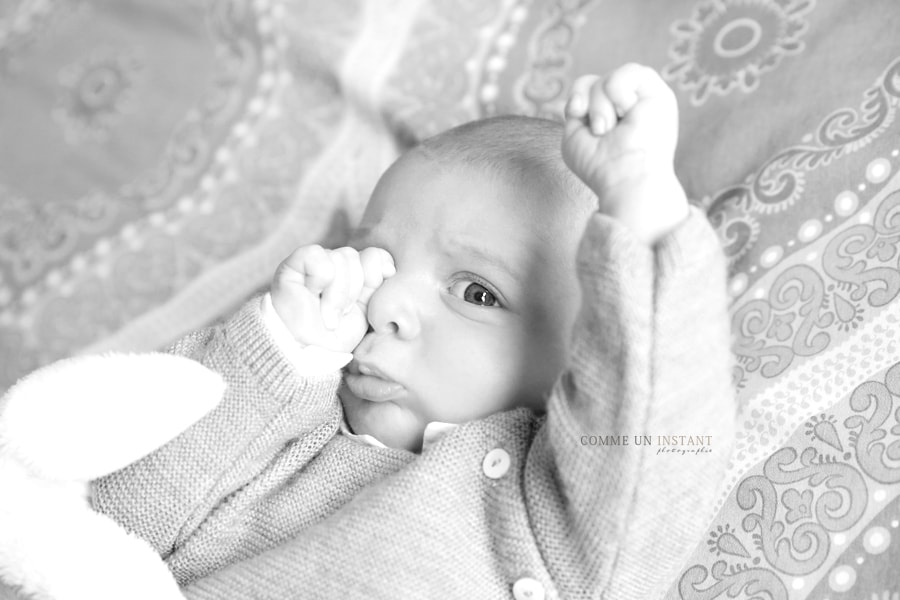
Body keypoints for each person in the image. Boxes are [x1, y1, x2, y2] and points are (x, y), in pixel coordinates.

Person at [93, 64, 735, 599]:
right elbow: (98, 521)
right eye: (378, 264)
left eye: (477, 292)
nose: (386, 303)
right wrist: (273, 356)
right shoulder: (284, 427)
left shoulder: (552, 522)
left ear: (581, 366)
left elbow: (652, 411)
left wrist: (641, 205)